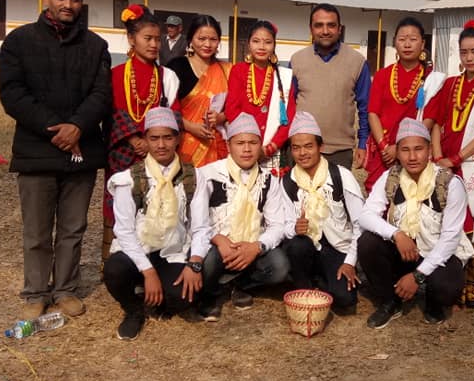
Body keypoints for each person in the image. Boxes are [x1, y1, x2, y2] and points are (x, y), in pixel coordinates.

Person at [0, 0, 111, 320]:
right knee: (36, 230)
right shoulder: (20, 41)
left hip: (81, 150)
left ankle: (65, 289)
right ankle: (35, 291)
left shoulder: (95, 46)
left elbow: (102, 94)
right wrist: (55, 129)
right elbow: (13, 94)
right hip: (37, 150)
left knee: (73, 228)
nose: (67, 5)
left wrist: (77, 126)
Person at [357, 118, 473, 328]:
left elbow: (449, 240)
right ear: (397, 152)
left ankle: (433, 303)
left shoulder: (449, 183)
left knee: (445, 287)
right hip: (405, 250)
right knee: (367, 243)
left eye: (418, 149)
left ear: (429, 150)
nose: (412, 157)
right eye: (405, 150)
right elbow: (366, 215)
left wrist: (417, 276)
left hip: (439, 254)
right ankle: (390, 302)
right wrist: (397, 234)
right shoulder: (390, 177)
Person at [423, 20, 474, 308]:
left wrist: (456, 158)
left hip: (471, 164)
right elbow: (435, 121)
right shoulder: (450, 84)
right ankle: (448, 282)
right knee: (444, 222)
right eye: (464, 52)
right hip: (443, 161)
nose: (469, 58)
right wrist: (436, 155)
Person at [103, 107, 198, 340]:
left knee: (185, 295)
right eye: (154, 138)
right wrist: (148, 272)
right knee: (114, 270)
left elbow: (201, 225)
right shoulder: (130, 178)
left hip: (172, 250)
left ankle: (157, 296)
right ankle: (134, 310)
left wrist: (194, 265)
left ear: (178, 139)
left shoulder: (191, 176)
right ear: (145, 140)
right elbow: (124, 231)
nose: (161, 145)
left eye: (168, 137)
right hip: (138, 251)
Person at [188, 113, 290, 321]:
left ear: (260, 145)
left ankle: (242, 284)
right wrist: (218, 239)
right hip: (218, 247)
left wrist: (256, 246)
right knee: (208, 261)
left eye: (252, 142)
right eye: (240, 143)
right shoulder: (208, 175)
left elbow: (277, 226)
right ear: (228, 145)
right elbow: (194, 220)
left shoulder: (268, 180)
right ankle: (211, 294)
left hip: (249, 248)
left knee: (280, 266)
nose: (246, 149)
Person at [102, 5, 181, 259]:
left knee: (154, 204)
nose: (154, 44)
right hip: (122, 151)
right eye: (147, 38)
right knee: (122, 204)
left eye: (157, 39)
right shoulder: (115, 75)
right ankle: (116, 259)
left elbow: (174, 113)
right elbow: (111, 110)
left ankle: (155, 256)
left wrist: (153, 141)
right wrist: (134, 138)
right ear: (131, 39)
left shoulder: (165, 76)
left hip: (156, 151)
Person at [279, 112, 364, 315]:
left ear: (321, 147)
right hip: (307, 246)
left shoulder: (341, 176)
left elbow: (361, 223)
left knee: (344, 300)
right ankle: (304, 285)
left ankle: (323, 280)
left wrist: (350, 262)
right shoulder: (288, 181)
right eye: (296, 147)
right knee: (298, 245)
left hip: (336, 246)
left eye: (309, 146)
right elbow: (282, 224)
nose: (302, 153)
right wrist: (294, 228)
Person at [365, 16, 444, 191]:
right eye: (402, 39)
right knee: (378, 199)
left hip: (412, 151)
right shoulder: (382, 75)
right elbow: (373, 114)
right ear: (395, 43)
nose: (407, 44)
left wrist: (401, 148)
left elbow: (429, 119)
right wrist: (385, 147)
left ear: (423, 43)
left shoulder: (432, 79)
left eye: (413, 39)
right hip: (382, 151)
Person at [290, 3, 370, 170]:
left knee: (336, 195)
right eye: (319, 25)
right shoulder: (297, 61)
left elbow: (365, 108)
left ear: (339, 29)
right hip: (302, 148)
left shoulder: (357, 62)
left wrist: (363, 143)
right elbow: (289, 106)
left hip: (340, 151)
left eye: (331, 25)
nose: (325, 31)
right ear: (311, 29)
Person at [225, 20, 295, 173]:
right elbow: (231, 111)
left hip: (272, 150)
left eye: (268, 42)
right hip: (245, 147)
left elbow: (288, 119)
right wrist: (252, 145)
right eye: (256, 41)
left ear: (274, 45)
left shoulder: (283, 76)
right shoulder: (239, 71)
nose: (262, 47)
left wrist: (271, 147)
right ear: (249, 44)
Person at [165, 14, 231, 168]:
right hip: (183, 143)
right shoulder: (176, 67)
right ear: (190, 40)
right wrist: (189, 126)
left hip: (218, 144)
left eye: (213, 39)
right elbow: (165, 106)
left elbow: (237, 105)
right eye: (201, 39)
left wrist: (221, 116)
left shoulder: (227, 70)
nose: (207, 44)